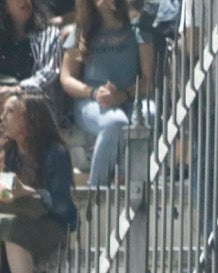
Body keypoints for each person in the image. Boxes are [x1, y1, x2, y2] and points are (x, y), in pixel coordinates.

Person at [58, 0, 150, 186]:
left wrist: (123, 95)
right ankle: (96, 189)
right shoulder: (81, 31)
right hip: (92, 100)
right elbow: (66, 78)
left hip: (131, 96)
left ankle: (131, 183)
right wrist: (93, 93)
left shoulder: (138, 28)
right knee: (115, 122)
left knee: (150, 116)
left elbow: (149, 79)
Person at [0, 91, 72, 273]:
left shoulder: (55, 153)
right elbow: (7, 195)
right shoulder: (9, 153)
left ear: (29, 118)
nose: (3, 117)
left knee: (13, 227)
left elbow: (60, 203)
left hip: (51, 226)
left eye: (10, 111)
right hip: (16, 218)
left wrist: (26, 192)